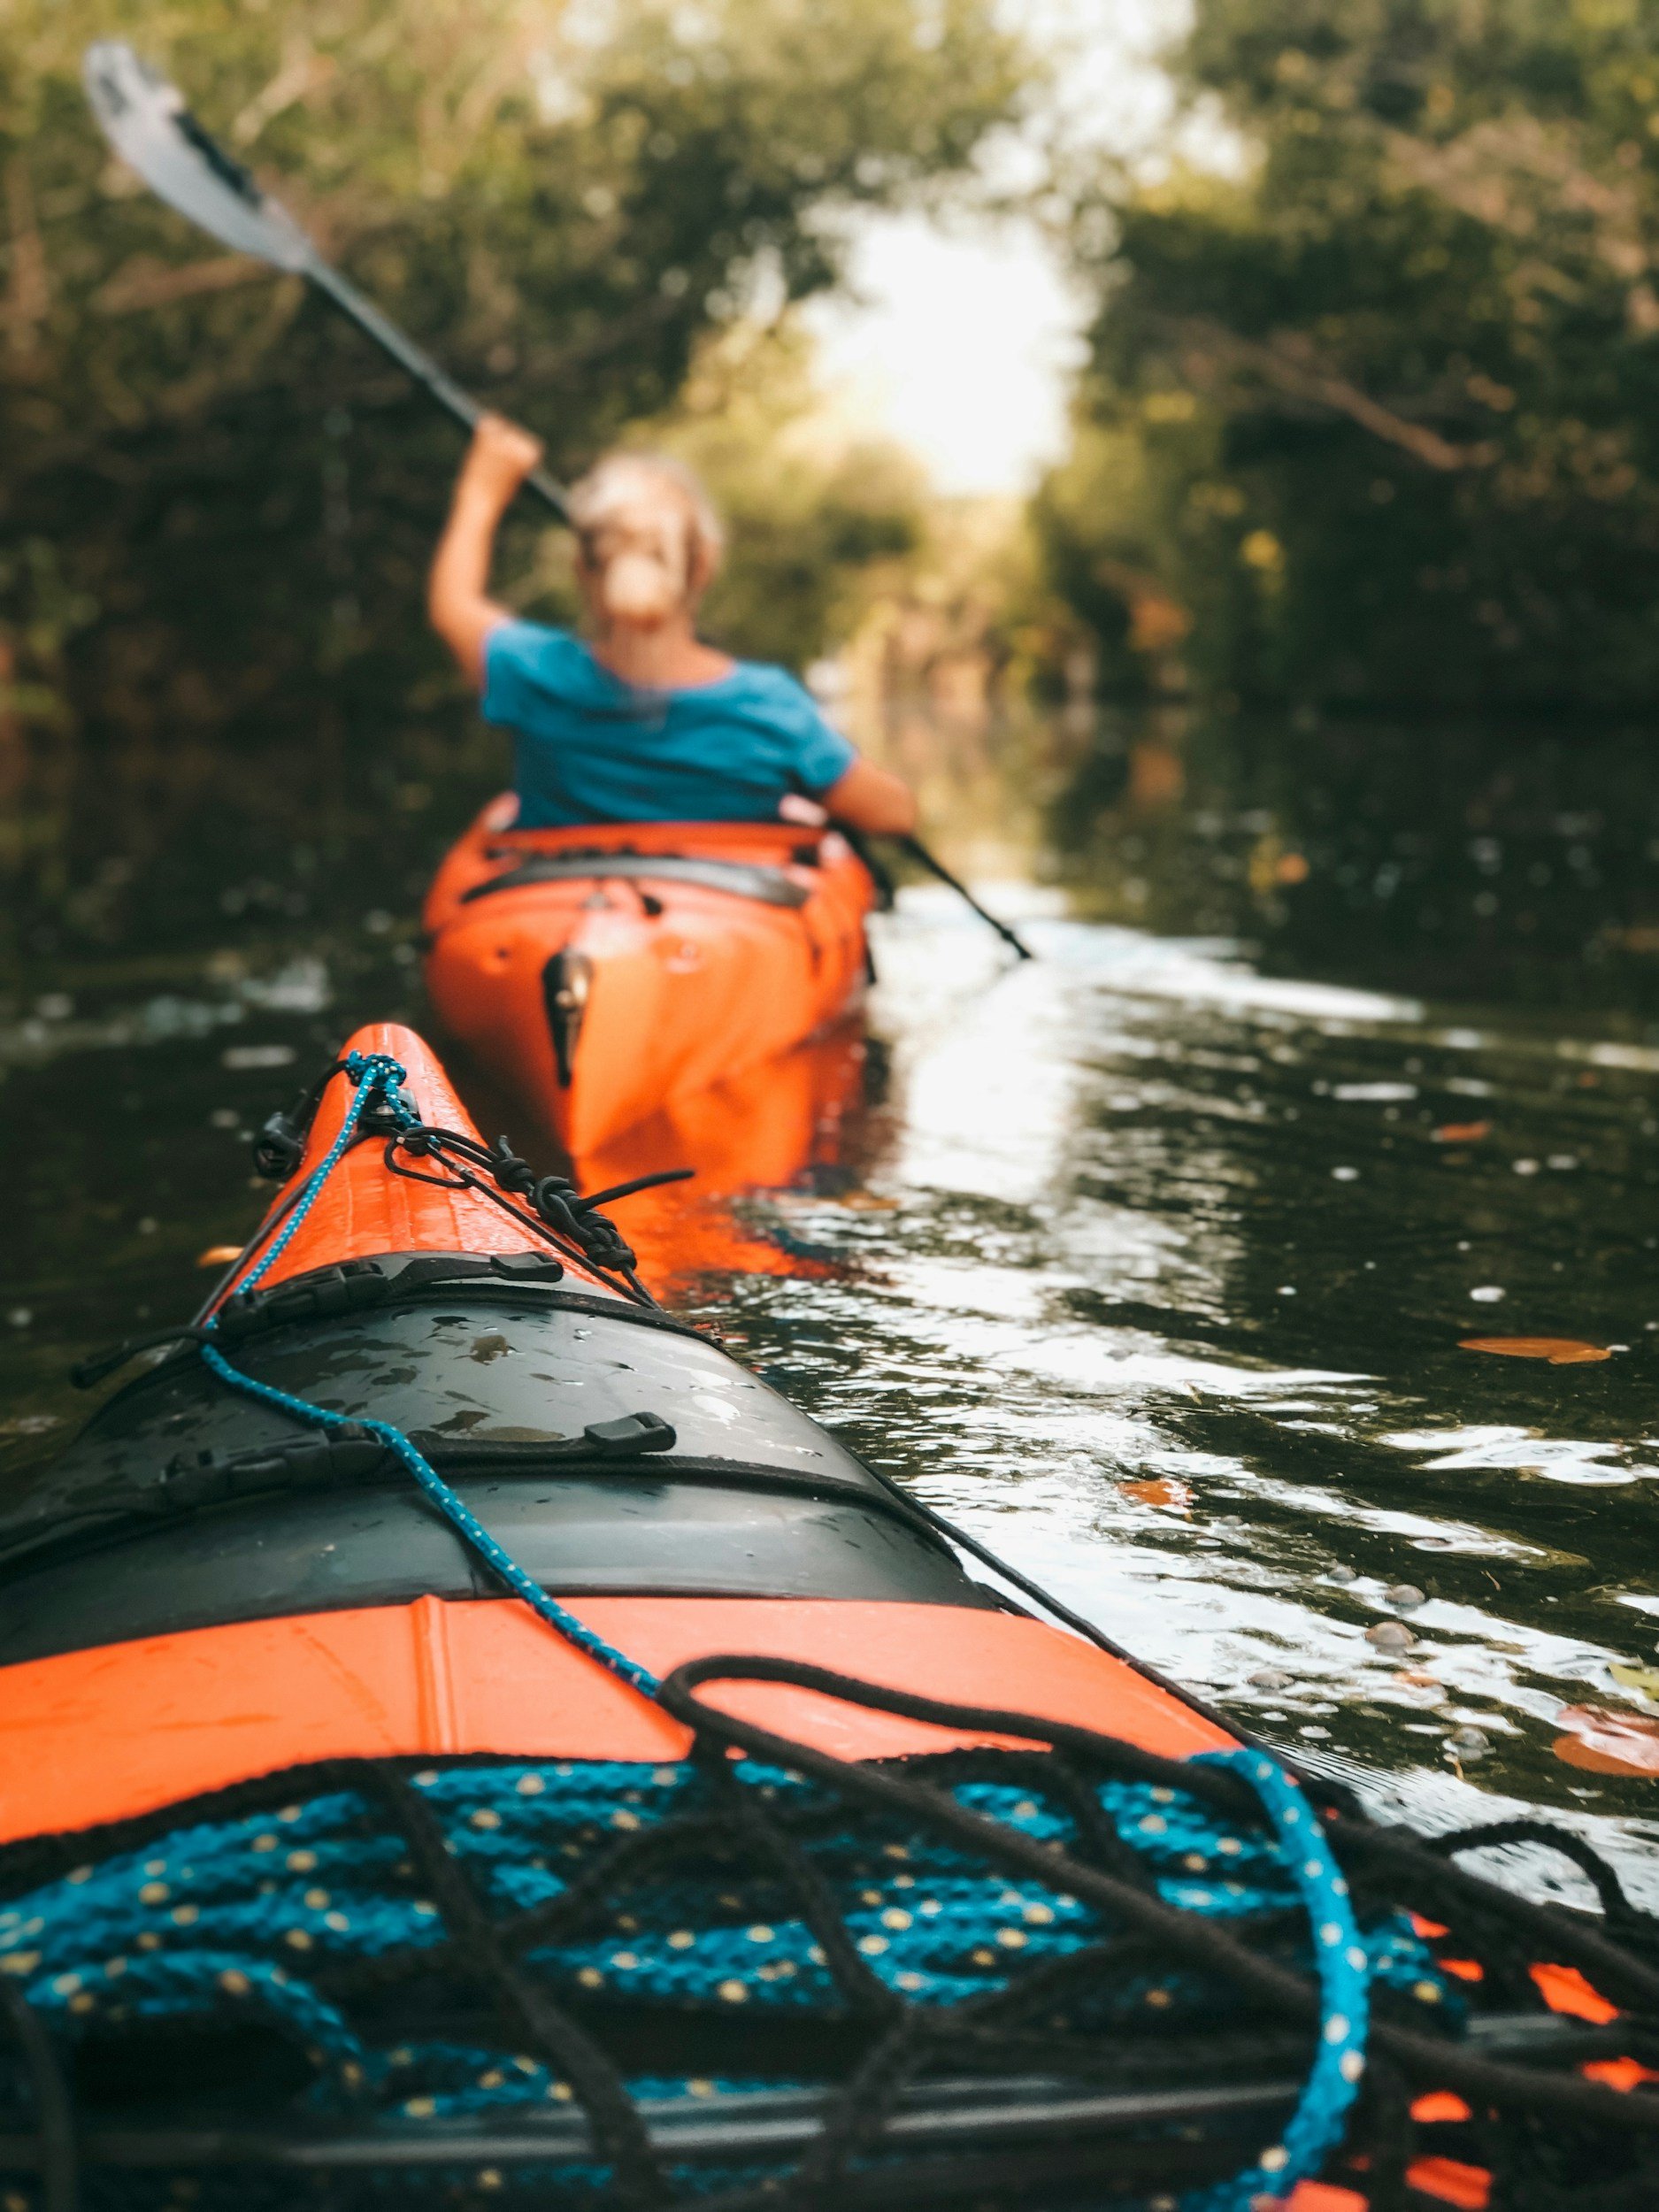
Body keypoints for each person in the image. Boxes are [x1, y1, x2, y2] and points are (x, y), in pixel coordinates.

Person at [427, 414, 918, 836]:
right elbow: (893, 815)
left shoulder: (535, 675)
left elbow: (453, 605)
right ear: (703, 565)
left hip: (562, 927)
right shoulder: (769, 709)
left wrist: (482, 491)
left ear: (582, 570)